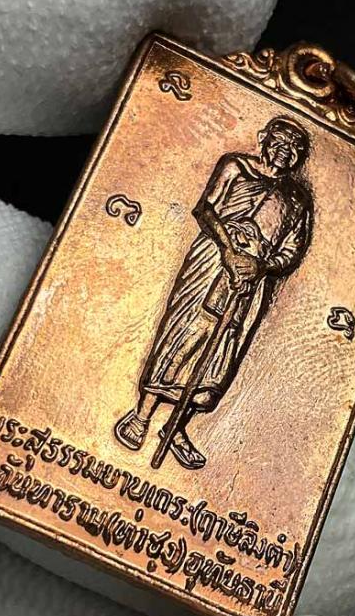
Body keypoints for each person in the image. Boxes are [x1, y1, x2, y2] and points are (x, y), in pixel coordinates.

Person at [115, 116, 313, 469]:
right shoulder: (236, 166)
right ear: (264, 139)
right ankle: (141, 416)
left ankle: (177, 427)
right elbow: (205, 209)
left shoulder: (297, 199)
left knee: (223, 348)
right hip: (212, 260)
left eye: (294, 149)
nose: (285, 152)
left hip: (251, 280)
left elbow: (292, 251)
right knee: (185, 331)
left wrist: (260, 267)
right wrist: (229, 251)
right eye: (279, 142)